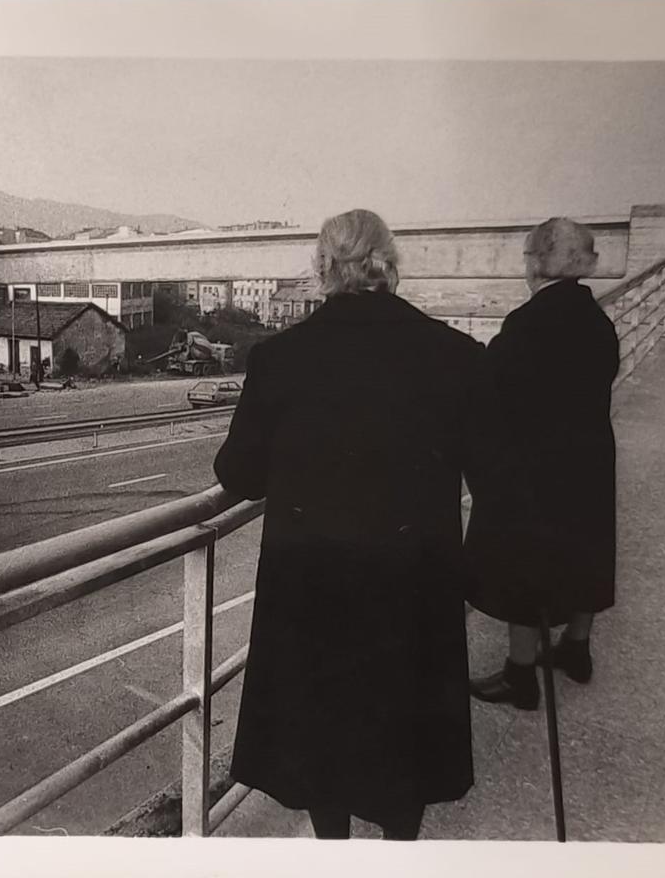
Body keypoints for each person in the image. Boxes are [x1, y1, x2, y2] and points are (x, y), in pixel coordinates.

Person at [214, 209, 498, 840]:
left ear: (321, 270)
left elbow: (239, 475)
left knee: (322, 734)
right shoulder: (454, 355)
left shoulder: (279, 358)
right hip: (412, 586)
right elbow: (493, 474)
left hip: (312, 587)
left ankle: (334, 848)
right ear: (390, 267)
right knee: (403, 738)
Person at [464, 217, 620, 710]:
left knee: (525, 564)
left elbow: (491, 388)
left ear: (537, 262)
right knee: (586, 547)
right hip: (591, 455)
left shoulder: (527, 324)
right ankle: (576, 648)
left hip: (537, 466)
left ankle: (520, 675)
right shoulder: (599, 322)